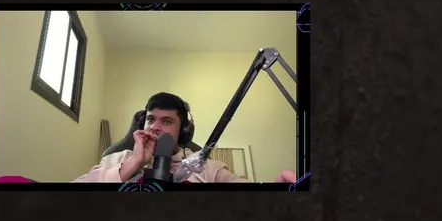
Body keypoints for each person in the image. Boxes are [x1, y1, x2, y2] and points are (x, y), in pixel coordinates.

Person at [73, 92, 296, 184]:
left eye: (167, 121)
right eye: (150, 119)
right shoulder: (117, 159)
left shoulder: (207, 168)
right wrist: (133, 164)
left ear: (184, 131)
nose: (155, 127)